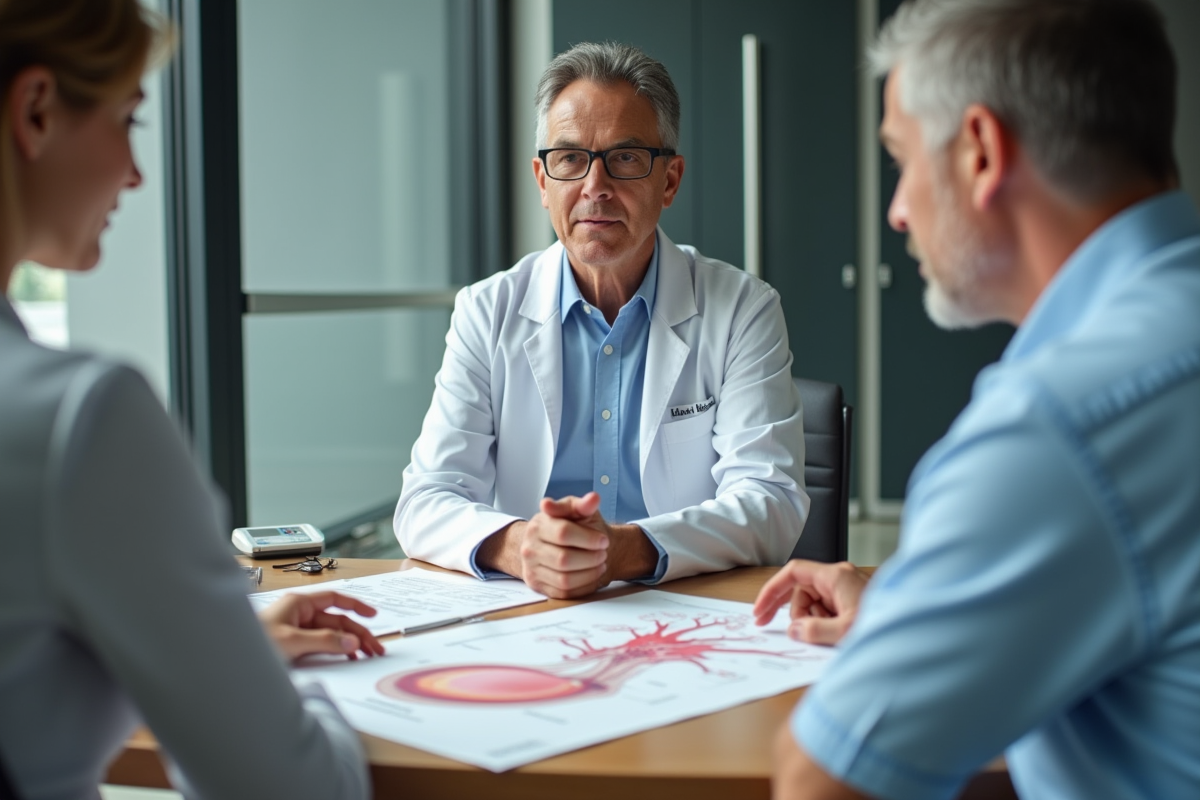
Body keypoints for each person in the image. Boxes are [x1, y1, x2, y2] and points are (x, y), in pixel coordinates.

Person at [754, 1, 1200, 798]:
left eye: (901, 159)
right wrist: (914, 599)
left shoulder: (1057, 429)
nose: (896, 210)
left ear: (981, 154)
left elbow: (823, 784)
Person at [0, 1, 385, 797]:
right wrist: (266, 689)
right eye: (129, 121)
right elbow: (293, 789)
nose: (136, 173)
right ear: (36, 111)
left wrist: (220, 641)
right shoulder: (81, 418)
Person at [394, 41, 808, 599]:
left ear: (669, 180)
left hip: (684, 606)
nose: (595, 187)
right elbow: (424, 500)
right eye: (569, 159)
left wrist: (626, 550)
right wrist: (520, 547)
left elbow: (771, 501)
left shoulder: (741, 308)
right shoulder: (486, 310)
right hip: (530, 608)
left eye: (626, 157)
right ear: (543, 182)